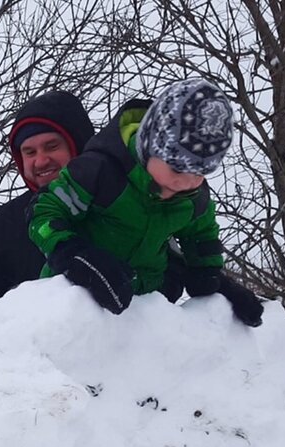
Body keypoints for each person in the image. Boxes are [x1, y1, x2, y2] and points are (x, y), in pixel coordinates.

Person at [28, 78, 264, 326]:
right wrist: (73, 254)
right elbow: (43, 213)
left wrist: (212, 278)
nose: (184, 182)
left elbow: (202, 237)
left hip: (145, 311)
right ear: (150, 145)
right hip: (75, 300)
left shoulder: (193, 197)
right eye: (177, 167)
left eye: (198, 172)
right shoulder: (100, 173)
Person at [0, 90, 96, 297]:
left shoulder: (123, 201)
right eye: (29, 152)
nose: (40, 161)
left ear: (78, 144)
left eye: (52, 146)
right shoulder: (1, 226)